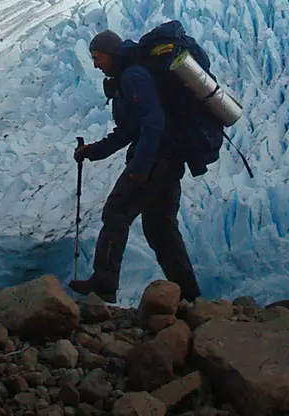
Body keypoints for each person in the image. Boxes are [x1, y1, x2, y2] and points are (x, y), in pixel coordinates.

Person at [69, 30, 202, 303]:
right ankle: (190, 297)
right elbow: (129, 129)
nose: (96, 64)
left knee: (117, 210)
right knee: (160, 228)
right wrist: (93, 151)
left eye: (97, 57)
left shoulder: (133, 77)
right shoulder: (129, 77)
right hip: (168, 159)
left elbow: (153, 123)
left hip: (155, 159)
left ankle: (104, 281)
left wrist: (140, 167)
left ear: (111, 52)